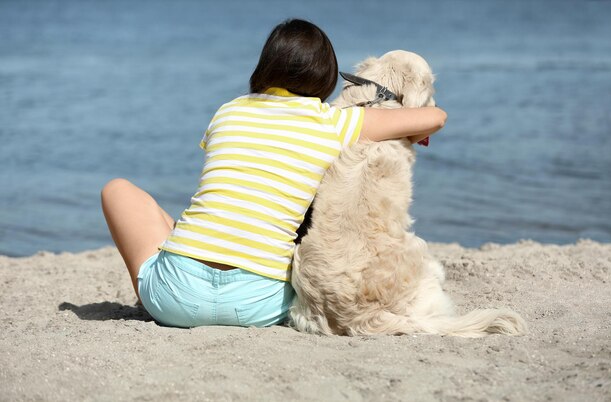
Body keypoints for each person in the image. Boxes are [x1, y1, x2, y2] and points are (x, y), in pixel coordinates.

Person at [101, 19, 446, 328]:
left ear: (265, 67)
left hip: (174, 302)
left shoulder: (229, 111)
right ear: (327, 76)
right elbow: (435, 117)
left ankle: (185, 270)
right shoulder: (333, 123)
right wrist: (412, 131)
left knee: (118, 190)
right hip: (261, 305)